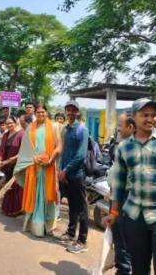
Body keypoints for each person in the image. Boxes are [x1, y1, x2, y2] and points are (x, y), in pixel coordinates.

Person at [106, 98, 156, 275]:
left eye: (153, 115)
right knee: (138, 268)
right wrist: (114, 212)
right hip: (134, 216)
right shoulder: (124, 147)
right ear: (134, 117)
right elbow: (118, 183)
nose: (150, 119)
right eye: (144, 115)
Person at [14, 104, 61, 236]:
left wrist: (51, 159)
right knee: (34, 195)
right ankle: (35, 225)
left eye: (43, 112)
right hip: (34, 167)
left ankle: (48, 226)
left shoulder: (54, 126)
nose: (40, 114)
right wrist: (33, 158)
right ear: (36, 113)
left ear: (46, 113)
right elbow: (25, 149)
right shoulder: (30, 128)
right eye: (38, 112)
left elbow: (59, 147)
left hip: (49, 167)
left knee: (47, 195)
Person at [104, 113, 135, 275]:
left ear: (130, 127)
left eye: (120, 125)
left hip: (122, 200)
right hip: (122, 198)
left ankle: (124, 270)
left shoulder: (128, 148)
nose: (118, 128)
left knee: (122, 239)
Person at [58, 100, 89, 254]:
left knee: (82, 208)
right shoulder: (67, 129)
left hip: (77, 175)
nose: (70, 113)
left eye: (73, 110)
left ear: (78, 112)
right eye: (68, 110)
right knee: (72, 206)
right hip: (67, 174)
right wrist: (61, 170)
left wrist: (66, 170)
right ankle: (71, 233)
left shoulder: (82, 130)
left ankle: (82, 241)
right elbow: (64, 152)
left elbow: (81, 156)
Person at [0, 116, 25, 216]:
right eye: (7, 123)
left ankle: (16, 210)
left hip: (17, 165)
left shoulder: (22, 134)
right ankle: (7, 208)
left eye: (11, 123)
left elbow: (23, 152)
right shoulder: (6, 134)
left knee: (16, 187)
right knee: (8, 187)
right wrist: (0, 160)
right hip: (7, 165)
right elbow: (1, 149)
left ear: (15, 122)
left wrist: (12, 159)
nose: (9, 125)